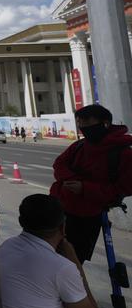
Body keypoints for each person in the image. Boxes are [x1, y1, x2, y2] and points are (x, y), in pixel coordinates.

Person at [0, 194, 126, 308]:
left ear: (22, 222)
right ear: (63, 227)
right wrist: (74, 262)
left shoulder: (7, 246)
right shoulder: (62, 267)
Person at [51, 104, 132, 263]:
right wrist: (71, 179)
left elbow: (123, 188)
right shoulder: (80, 145)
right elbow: (59, 164)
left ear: (105, 123)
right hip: (58, 209)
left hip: (85, 217)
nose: (82, 127)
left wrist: (84, 188)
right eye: (80, 122)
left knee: (72, 261)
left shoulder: (123, 153)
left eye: (87, 122)